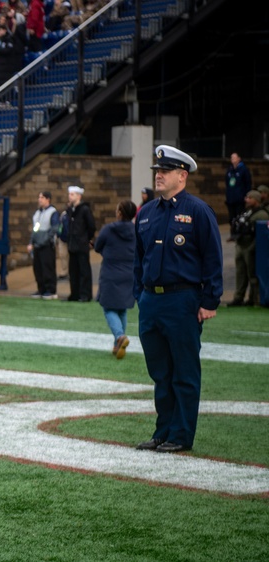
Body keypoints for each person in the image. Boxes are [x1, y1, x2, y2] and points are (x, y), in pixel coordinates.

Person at [134, 145, 223, 454]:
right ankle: (163, 431)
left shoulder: (198, 210)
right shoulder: (145, 213)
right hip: (151, 302)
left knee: (184, 371)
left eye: (165, 171)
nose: (158, 175)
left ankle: (181, 435)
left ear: (182, 176)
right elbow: (139, 260)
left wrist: (210, 300)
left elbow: (213, 257)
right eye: (157, 171)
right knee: (160, 371)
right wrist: (139, 296)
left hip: (182, 300)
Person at [95, 200, 137, 359]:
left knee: (108, 308)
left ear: (119, 213)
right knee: (122, 309)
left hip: (111, 272)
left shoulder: (109, 229)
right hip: (129, 273)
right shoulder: (137, 229)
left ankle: (119, 336)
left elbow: (98, 246)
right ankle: (117, 345)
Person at [227, 190, 269, 306]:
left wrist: (253, 247)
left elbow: (262, 234)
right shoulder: (247, 212)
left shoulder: (262, 214)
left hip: (251, 247)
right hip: (241, 245)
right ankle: (239, 297)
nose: (246, 200)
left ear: (255, 199)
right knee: (240, 273)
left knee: (253, 275)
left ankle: (255, 298)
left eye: (249, 198)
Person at [65, 185, 95, 302]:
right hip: (72, 245)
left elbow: (91, 226)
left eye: (72, 194)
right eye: (69, 194)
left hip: (81, 245)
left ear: (79, 196)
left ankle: (85, 294)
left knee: (84, 271)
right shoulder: (70, 210)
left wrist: (86, 239)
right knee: (73, 271)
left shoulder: (84, 210)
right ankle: (75, 293)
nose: (70, 196)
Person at [26, 191, 58, 299]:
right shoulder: (37, 214)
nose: (39, 199)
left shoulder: (52, 212)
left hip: (47, 246)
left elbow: (54, 229)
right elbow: (35, 230)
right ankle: (41, 289)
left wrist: (45, 240)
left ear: (48, 199)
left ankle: (50, 290)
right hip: (38, 246)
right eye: (39, 197)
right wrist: (31, 242)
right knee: (38, 269)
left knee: (47, 268)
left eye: (42, 197)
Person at [224, 153, 250, 241]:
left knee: (240, 217)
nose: (233, 159)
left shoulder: (244, 170)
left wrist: (246, 196)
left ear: (239, 158)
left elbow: (248, 184)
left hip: (240, 198)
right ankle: (233, 234)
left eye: (234, 157)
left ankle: (240, 234)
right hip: (231, 198)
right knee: (232, 218)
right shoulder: (230, 170)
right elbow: (227, 183)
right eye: (231, 158)